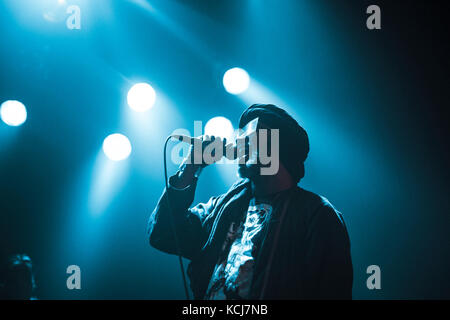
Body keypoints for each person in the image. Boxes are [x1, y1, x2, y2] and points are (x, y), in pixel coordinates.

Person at [147, 104, 353, 299]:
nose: (239, 143)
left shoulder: (317, 214)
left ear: (275, 148)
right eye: (241, 137)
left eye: (249, 138)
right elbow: (163, 233)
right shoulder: (223, 207)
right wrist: (189, 169)